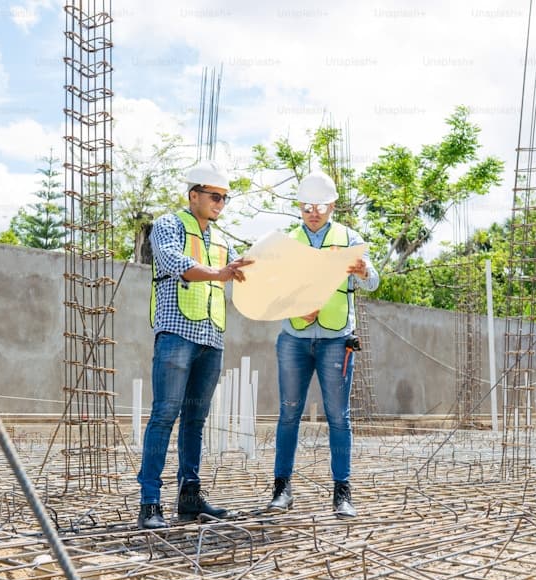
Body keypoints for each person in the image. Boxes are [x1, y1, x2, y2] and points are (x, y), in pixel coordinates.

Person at [136, 160, 253, 530]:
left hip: (211, 337)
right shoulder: (169, 225)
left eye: (225, 198)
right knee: (164, 416)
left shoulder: (222, 239)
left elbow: (236, 277)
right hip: (176, 334)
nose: (220, 203)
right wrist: (220, 273)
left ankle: (189, 498)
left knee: (195, 422)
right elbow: (173, 261)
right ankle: (149, 502)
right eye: (214, 196)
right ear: (194, 195)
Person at [266, 170, 379, 519]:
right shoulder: (288, 242)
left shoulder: (349, 238)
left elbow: (373, 282)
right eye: (306, 206)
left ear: (332, 206)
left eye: (320, 206)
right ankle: (282, 489)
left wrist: (362, 272)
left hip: (336, 340)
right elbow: (275, 288)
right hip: (294, 340)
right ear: (300, 206)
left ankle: (342, 493)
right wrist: (299, 306)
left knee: (338, 418)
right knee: (288, 414)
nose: (313, 212)